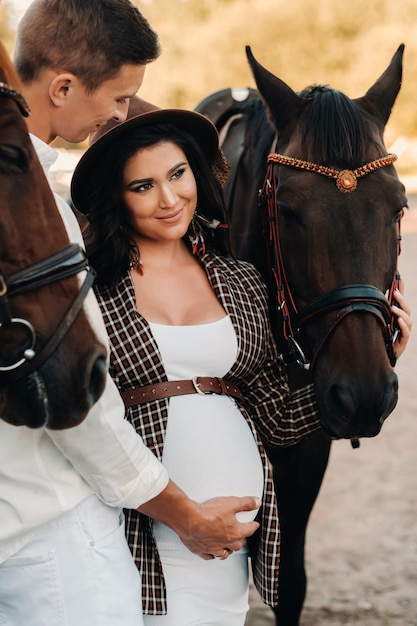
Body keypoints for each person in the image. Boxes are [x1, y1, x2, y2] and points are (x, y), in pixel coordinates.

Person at [0, 2, 262, 625]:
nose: (120, 115)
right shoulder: (38, 216)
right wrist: (185, 516)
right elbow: (80, 401)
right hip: (49, 529)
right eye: (119, 97)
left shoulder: (234, 281)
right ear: (62, 87)